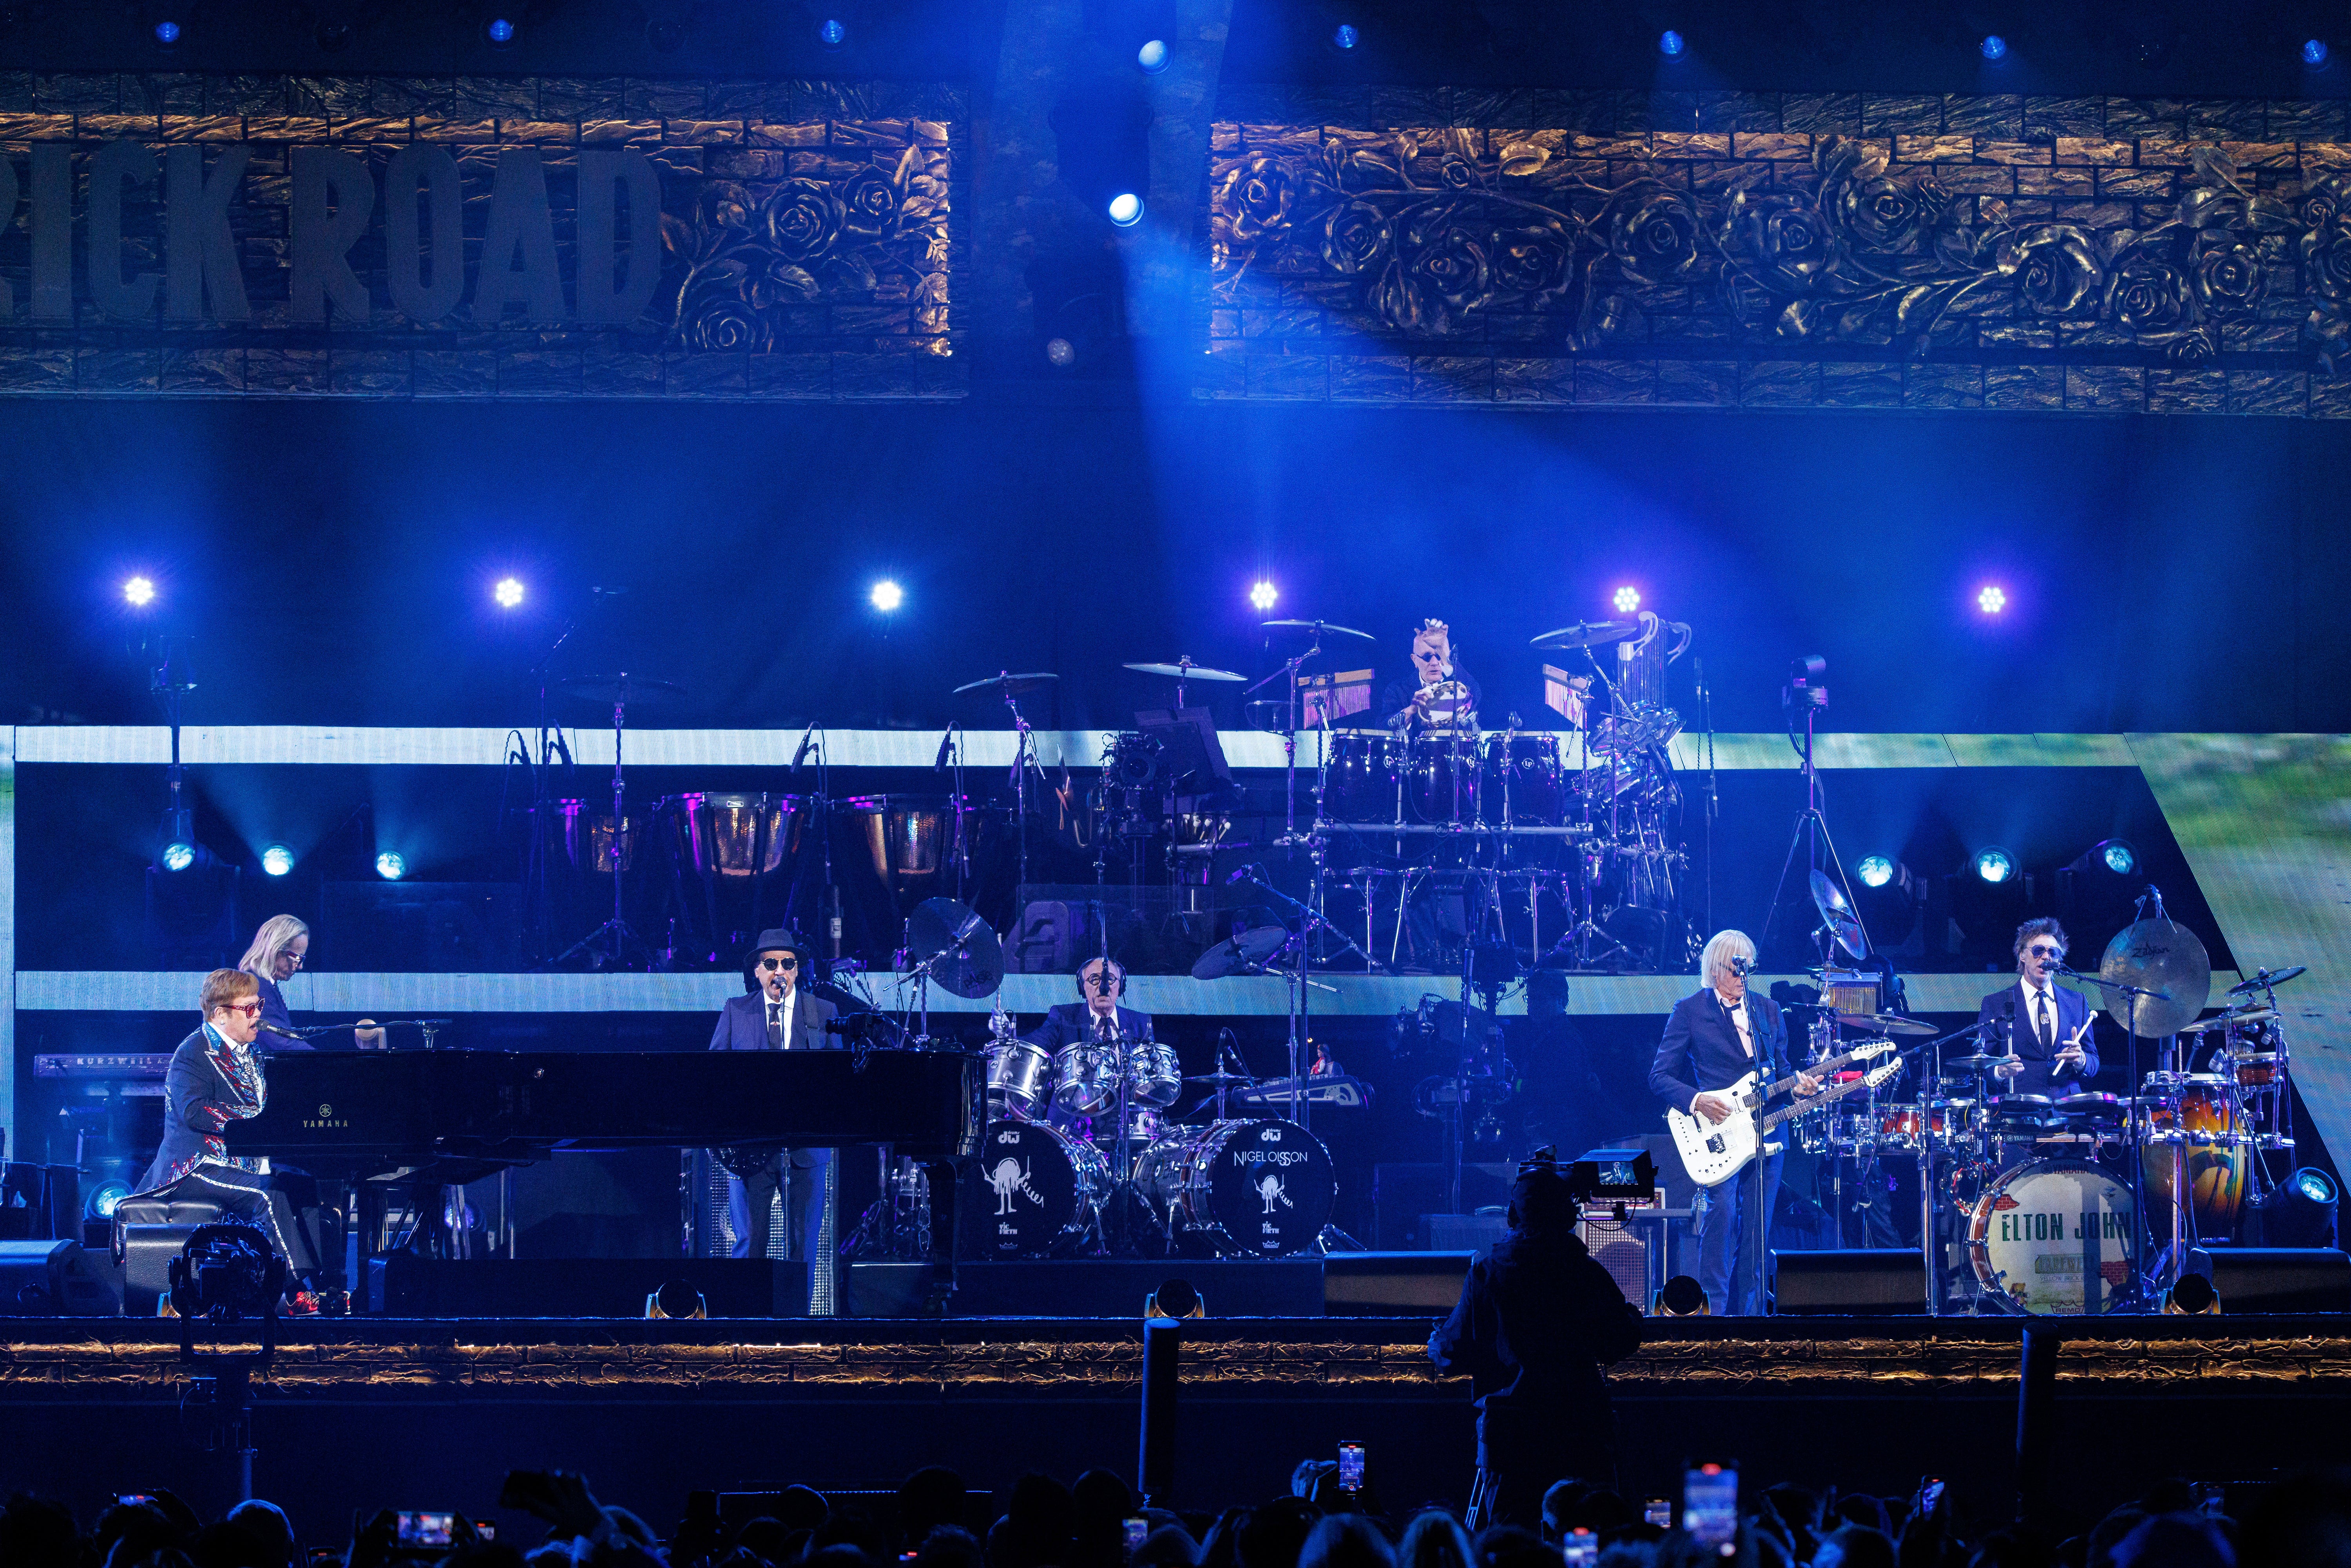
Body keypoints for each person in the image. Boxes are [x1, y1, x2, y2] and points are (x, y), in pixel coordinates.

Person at [1428, 1157, 1645, 1531]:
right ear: (1567, 1216)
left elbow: (1452, 1354)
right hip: (1581, 1431)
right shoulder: (1585, 1272)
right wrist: (1632, 1316)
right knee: (1587, 1537)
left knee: (1512, 1543)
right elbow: (1619, 1341)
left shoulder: (1486, 1273)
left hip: (1510, 1438)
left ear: (1514, 1215)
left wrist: (1436, 1341)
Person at [1649, 929, 1820, 1315]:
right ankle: (1714, 1320)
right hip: (1720, 1132)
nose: (1742, 976)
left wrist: (1797, 1088)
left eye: (1747, 968)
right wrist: (1698, 1101)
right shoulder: (1689, 1011)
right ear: (1715, 969)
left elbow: (1781, 1071)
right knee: (1722, 1216)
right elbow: (1659, 1076)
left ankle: (1752, 1322)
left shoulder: (1768, 1010)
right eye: (1734, 968)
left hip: (1769, 1129)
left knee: (1758, 1230)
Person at [132, 968, 308, 1277]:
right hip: (195, 1167)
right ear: (220, 1014)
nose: (258, 1015)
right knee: (268, 1194)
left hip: (240, 1164)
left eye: (259, 1006)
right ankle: (297, 1289)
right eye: (249, 1009)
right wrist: (257, 1120)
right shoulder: (193, 1052)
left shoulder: (254, 1053)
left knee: (304, 1186)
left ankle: (322, 1279)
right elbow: (194, 1111)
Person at [707, 928, 839, 1261]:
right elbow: (714, 1076)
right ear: (757, 970)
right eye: (770, 964)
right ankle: (748, 1299)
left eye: (787, 963)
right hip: (750, 1149)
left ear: (797, 970)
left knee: (803, 1248)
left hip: (806, 1150)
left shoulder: (822, 1012)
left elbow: (837, 1080)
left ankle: (797, 1301)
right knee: (750, 1245)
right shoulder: (736, 1010)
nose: (779, 971)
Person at [1976, 918, 2099, 1099]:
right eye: (2038, 950)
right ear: (2022, 955)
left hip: (2067, 1108)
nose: (2046, 957)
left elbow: (2094, 1061)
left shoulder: (2076, 1002)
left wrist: (2082, 1061)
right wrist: (1999, 1071)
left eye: (2053, 953)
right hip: (2020, 1107)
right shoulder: (1996, 1004)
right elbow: (1979, 1063)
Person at [238, 915, 382, 1052]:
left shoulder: (263, 985)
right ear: (276, 950)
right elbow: (281, 1043)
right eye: (297, 958)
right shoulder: (257, 988)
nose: (301, 966)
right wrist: (325, 1061)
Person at [1381, 619, 1482, 732]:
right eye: (1427, 657)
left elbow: (1475, 694)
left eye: (1439, 656)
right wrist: (1411, 710)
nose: (1434, 663)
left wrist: (1443, 652)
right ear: (1415, 660)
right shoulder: (1398, 690)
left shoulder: (1460, 682)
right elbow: (1383, 728)